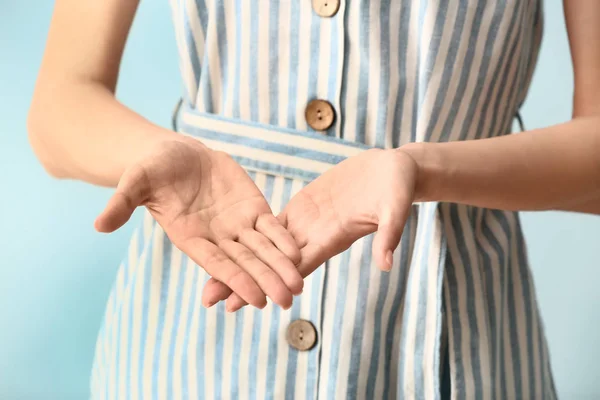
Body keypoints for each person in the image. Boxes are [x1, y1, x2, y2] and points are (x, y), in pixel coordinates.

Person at [27, 0, 600, 398]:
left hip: (451, 343)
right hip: (190, 331)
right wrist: (159, 151)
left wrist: (425, 169)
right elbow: (60, 104)